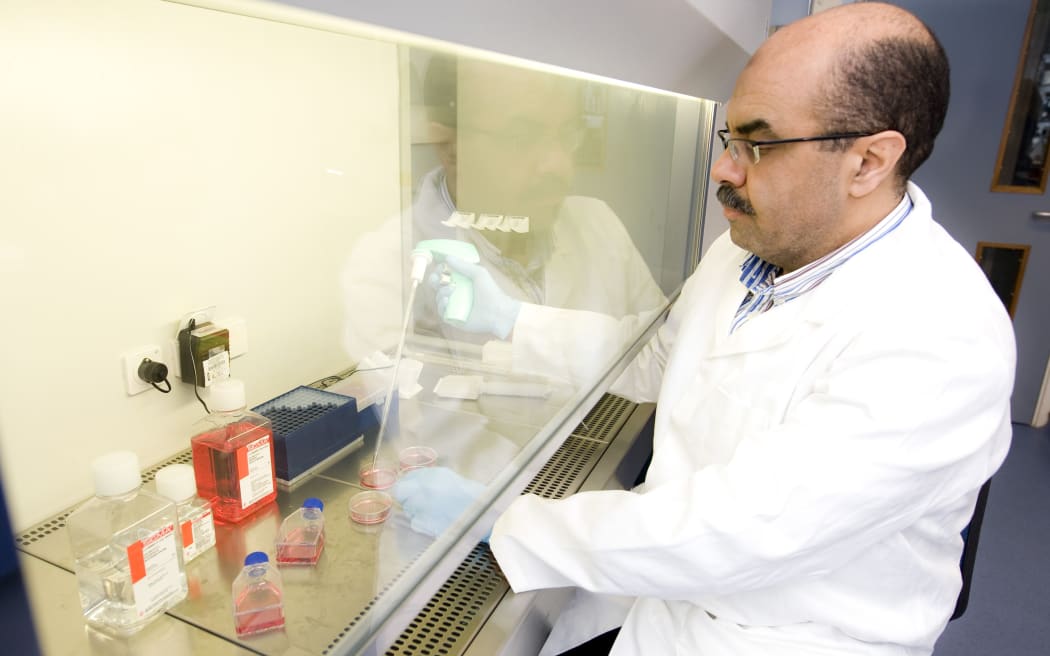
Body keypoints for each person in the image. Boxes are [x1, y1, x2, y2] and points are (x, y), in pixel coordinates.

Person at [395, 3, 1017, 655]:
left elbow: (741, 530)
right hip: (663, 606)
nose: (724, 169)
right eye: (728, 139)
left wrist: (502, 521)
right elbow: (659, 355)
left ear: (868, 162)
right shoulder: (747, 252)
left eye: (759, 144)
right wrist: (514, 320)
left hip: (787, 639)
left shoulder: (942, 335)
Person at [340, 54, 667, 367]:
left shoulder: (598, 223)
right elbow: (417, 421)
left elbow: (663, 355)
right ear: (449, 147)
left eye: (567, 135)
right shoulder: (384, 266)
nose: (559, 165)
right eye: (521, 137)